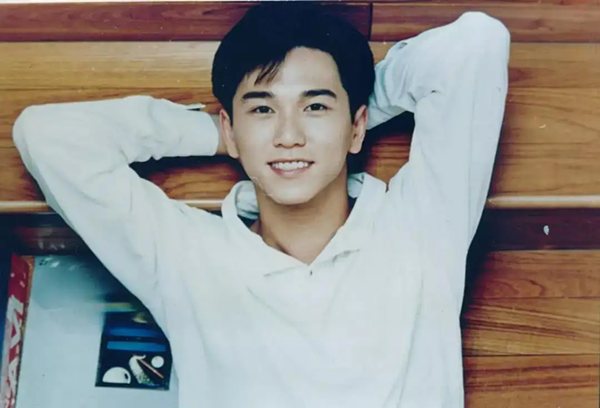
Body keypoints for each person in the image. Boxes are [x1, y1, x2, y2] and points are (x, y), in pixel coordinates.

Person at [12, 3, 510, 407]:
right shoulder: (188, 258)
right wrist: (218, 134)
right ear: (232, 128)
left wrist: (350, 115)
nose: (289, 135)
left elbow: (475, 44)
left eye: (315, 106)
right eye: (263, 109)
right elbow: (47, 137)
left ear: (358, 126)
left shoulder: (420, 225)